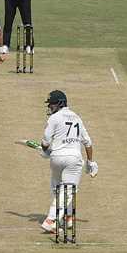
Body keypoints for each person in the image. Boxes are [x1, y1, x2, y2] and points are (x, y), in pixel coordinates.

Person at [38, 90, 96, 234]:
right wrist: (90, 162)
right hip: (73, 159)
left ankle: (68, 217)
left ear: (59, 103)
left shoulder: (54, 118)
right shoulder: (77, 117)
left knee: (58, 189)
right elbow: (87, 143)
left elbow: (45, 141)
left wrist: (45, 151)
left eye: (51, 104)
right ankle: (50, 220)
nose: (50, 107)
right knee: (68, 190)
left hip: (56, 158)